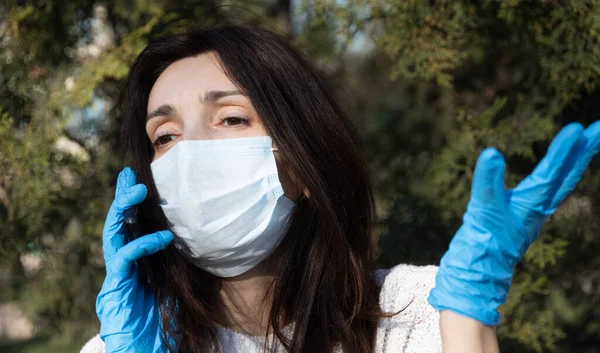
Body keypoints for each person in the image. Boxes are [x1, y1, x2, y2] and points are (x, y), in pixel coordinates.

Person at [80, 24, 600, 353]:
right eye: (164, 135)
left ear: (304, 164)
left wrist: (467, 322)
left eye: (232, 119)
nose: (190, 154)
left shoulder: (416, 313)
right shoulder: (128, 344)